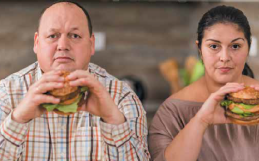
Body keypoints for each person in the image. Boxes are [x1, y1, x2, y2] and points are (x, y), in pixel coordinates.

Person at [0, 1, 150, 160]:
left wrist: (113, 119)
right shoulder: (6, 93)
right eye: (53, 36)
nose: (63, 45)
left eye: (75, 35)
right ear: (37, 43)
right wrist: (18, 119)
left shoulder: (122, 96)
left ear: (91, 44)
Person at [149, 5, 259, 161]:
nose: (224, 57)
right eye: (214, 46)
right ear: (200, 49)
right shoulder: (171, 113)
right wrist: (200, 121)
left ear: (247, 49)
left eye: (235, 46)